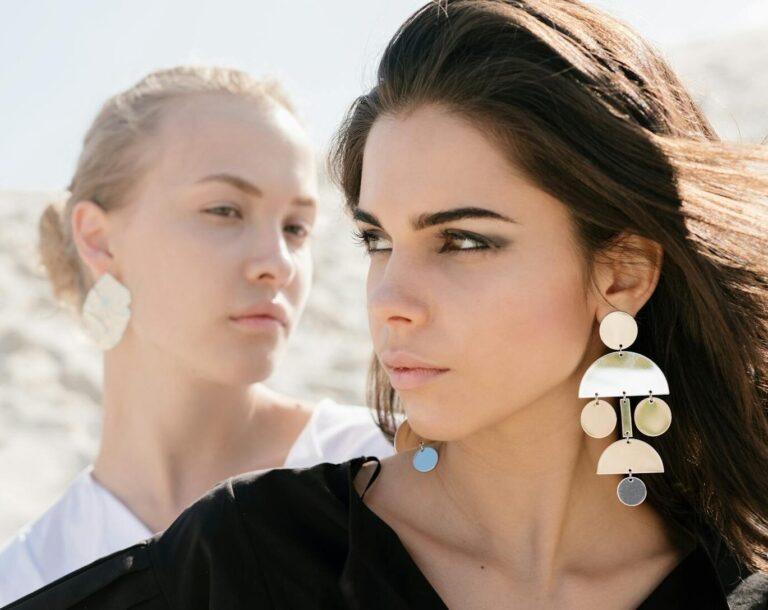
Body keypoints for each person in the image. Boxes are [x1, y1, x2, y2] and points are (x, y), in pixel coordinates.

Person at [7, 1, 768, 608]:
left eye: (464, 242)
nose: (391, 301)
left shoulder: (739, 582)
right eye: (378, 240)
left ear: (623, 273)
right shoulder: (251, 561)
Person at [0, 65, 394, 607]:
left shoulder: (390, 470)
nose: (278, 263)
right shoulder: (31, 577)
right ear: (99, 240)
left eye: (296, 227)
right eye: (225, 210)